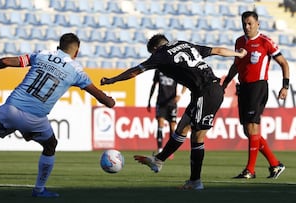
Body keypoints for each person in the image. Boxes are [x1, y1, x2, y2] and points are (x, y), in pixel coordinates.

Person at [0, 33, 115, 198]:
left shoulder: (42, 55)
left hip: (10, 109)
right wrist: (109, 101)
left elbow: (6, 61)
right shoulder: (77, 71)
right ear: (76, 52)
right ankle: (39, 189)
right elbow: (99, 96)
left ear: (58, 47)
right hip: (36, 120)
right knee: (50, 145)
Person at [101, 34, 247, 190]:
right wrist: (238, 54)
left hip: (206, 92)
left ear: (155, 49)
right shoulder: (185, 44)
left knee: (197, 137)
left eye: (152, 53)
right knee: (182, 127)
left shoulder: (160, 54)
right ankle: (159, 160)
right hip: (208, 90)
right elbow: (217, 50)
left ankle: (195, 182)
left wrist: (113, 80)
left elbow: (135, 71)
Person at [221, 11, 289, 179]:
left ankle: (250, 170)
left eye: (250, 23)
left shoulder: (265, 42)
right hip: (243, 87)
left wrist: (285, 86)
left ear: (258, 24)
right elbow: (236, 65)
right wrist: (226, 82)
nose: (247, 26)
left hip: (258, 87)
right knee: (248, 131)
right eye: (244, 23)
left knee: (252, 127)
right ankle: (275, 164)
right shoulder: (239, 42)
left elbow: (284, 63)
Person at [147, 69, 186, 157]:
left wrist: (180, 95)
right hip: (161, 103)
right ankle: (160, 149)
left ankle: (169, 150)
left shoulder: (176, 71)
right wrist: (149, 100)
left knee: (172, 127)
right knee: (160, 124)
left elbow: (185, 84)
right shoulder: (159, 70)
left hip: (172, 103)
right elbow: (154, 85)